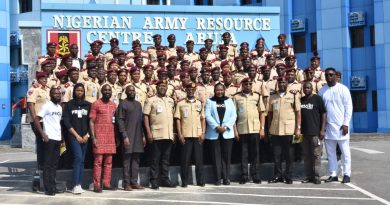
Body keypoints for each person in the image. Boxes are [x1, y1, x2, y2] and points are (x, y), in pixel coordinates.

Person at [318, 67, 353, 184]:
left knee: (345, 152)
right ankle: (333, 174)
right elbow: (320, 111)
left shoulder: (343, 89)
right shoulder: (322, 91)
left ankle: (346, 174)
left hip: (341, 127)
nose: (329, 77)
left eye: (331, 75)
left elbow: (349, 107)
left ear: (335, 76)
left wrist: (345, 123)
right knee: (331, 153)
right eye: (327, 75)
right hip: (328, 128)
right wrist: (321, 128)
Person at [267, 77, 301, 184]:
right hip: (276, 130)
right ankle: (277, 175)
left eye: (284, 82)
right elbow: (270, 114)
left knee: (289, 155)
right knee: (276, 155)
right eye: (280, 82)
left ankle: (288, 175)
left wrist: (298, 128)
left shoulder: (293, 95)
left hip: (289, 130)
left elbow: (298, 112)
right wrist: (269, 129)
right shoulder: (272, 96)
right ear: (277, 84)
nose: (282, 84)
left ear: (287, 84)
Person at [143, 80, 176, 189]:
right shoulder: (151, 100)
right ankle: (154, 180)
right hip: (156, 134)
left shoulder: (170, 101)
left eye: (164, 86)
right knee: (155, 159)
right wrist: (148, 132)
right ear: (156, 87)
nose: (162, 88)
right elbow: (146, 116)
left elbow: (173, 117)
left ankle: (165, 179)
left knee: (166, 159)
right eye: (160, 86)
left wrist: (174, 132)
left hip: (168, 134)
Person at [233, 78, 266, 184]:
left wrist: (262, 129)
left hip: (255, 129)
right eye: (246, 84)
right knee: (244, 154)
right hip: (242, 129)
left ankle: (255, 175)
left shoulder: (257, 96)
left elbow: (262, 113)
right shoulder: (236, 97)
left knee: (255, 154)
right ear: (242, 85)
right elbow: (233, 115)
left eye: (249, 84)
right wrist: (235, 130)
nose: (248, 85)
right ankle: (244, 176)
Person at [205, 83, 237, 185]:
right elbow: (207, 115)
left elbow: (234, 115)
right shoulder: (210, 101)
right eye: (217, 90)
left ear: (224, 91)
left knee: (226, 157)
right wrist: (216, 127)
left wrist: (226, 127)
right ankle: (217, 178)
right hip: (214, 133)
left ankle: (226, 177)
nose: (219, 92)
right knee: (216, 157)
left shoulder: (229, 101)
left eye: (221, 90)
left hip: (227, 132)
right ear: (214, 91)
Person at [175, 82, 206, 187]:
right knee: (185, 160)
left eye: (192, 89)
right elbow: (178, 120)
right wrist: (179, 134)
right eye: (188, 89)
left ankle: (200, 180)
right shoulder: (181, 103)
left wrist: (203, 132)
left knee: (199, 160)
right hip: (186, 135)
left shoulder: (199, 103)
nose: (190, 91)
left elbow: (203, 119)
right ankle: (185, 181)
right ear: (186, 90)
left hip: (197, 135)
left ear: (195, 90)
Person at [33, 87, 63, 196]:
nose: (57, 95)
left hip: (57, 138)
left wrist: (62, 138)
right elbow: (36, 119)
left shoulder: (59, 107)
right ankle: (48, 188)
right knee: (47, 164)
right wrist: (43, 134)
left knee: (54, 165)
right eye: (55, 93)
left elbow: (58, 123)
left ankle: (53, 186)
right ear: (51, 95)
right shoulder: (47, 106)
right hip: (49, 139)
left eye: (59, 93)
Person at [62, 83, 91, 194]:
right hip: (74, 137)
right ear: (74, 92)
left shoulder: (88, 105)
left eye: (81, 90)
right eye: (77, 90)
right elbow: (67, 122)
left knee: (82, 161)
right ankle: (75, 185)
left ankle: (79, 184)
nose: (79, 92)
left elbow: (91, 122)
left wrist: (87, 135)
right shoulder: (69, 105)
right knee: (78, 158)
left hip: (85, 137)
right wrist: (77, 136)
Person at [116, 85, 145, 191]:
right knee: (127, 161)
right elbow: (120, 121)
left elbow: (140, 122)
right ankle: (126, 183)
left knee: (136, 160)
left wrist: (143, 136)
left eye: (133, 91)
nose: (132, 92)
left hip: (138, 136)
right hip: (128, 136)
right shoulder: (123, 104)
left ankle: (134, 182)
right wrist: (124, 136)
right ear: (126, 92)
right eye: (130, 91)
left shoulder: (138, 104)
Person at [89, 84, 117, 193]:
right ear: (101, 91)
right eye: (105, 90)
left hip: (110, 137)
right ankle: (97, 185)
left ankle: (106, 183)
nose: (107, 92)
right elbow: (91, 121)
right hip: (99, 137)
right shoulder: (96, 104)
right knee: (98, 162)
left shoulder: (114, 105)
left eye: (109, 90)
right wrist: (93, 137)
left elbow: (115, 123)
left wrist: (117, 137)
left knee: (109, 162)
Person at [300, 82, 326, 184]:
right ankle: (308, 176)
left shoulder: (317, 99)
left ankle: (316, 176)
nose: (306, 89)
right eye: (304, 88)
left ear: (312, 89)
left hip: (315, 132)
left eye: (308, 88)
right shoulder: (301, 100)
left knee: (316, 155)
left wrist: (322, 130)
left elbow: (324, 114)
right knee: (306, 156)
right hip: (304, 133)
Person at [27, 71, 50, 170]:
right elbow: (31, 105)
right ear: (38, 79)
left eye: (46, 78)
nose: (44, 80)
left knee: (47, 143)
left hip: (48, 120)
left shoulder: (48, 90)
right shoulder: (33, 89)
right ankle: (41, 166)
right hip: (38, 121)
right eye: (42, 78)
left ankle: (46, 164)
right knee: (41, 142)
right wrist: (35, 120)